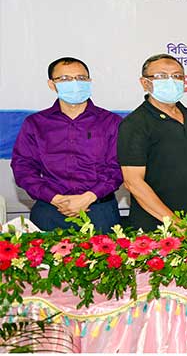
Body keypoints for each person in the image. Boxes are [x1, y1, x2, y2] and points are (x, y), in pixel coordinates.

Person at [11, 57, 123, 232]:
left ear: (89, 81)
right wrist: (55, 199)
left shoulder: (111, 122)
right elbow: (23, 167)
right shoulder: (36, 123)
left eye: (80, 78)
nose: (75, 84)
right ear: (52, 84)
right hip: (50, 210)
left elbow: (118, 167)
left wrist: (88, 197)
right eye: (65, 79)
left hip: (99, 211)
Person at [117, 54, 187, 231]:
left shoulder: (186, 114)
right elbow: (133, 182)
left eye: (177, 76)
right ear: (145, 83)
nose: (171, 81)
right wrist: (175, 222)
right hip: (159, 225)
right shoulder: (135, 123)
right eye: (161, 76)